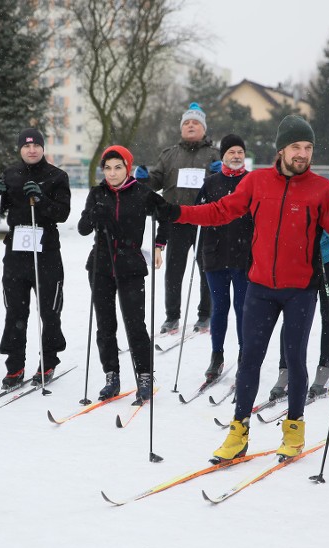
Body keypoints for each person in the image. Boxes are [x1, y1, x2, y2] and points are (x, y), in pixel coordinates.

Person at [155, 115, 329, 462]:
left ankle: (294, 431)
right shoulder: (257, 183)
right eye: (296, 147)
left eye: (308, 148)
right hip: (259, 288)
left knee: (294, 360)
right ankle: (238, 432)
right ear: (281, 149)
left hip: (300, 291)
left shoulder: (323, 190)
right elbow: (219, 211)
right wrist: (176, 213)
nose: (303, 154)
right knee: (250, 359)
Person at [78, 145, 169, 403]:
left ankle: (144, 375)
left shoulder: (141, 193)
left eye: (118, 167)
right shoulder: (97, 193)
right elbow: (83, 228)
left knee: (135, 324)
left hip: (130, 264)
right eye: (107, 168)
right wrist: (94, 215)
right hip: (101, 264)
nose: (112, 173)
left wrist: (159, 245)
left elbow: (166, 216)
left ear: (127, 168)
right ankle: (111, 375)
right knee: (105, 325)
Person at [136, 102, 221, 335]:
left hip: (206, 221)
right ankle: (172, 316)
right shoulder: (170, 155)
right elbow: (155, 182)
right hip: (177, 219)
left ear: (203, 128)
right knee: (174, 270)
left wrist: (220, 173)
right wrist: (143, 179)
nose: (191, 126)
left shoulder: (215, 154)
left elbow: (225, 186)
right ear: (181, 128)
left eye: (195, 123)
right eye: (187, 123)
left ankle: (205, 315)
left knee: (206, 269)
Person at [0, 128, 70, 389]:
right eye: (26, 146)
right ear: (20, 149)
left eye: (36, 145)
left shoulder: (57, 176)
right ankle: (14, 367)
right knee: (15, 311)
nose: (31, 150)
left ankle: (48, 361)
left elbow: (63, 213)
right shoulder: (10, 174)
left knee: (49, 311)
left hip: (46, 251)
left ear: (43, 148)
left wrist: (41, 200)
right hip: (16, 252)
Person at [269, 232, 329, 401]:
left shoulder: (328, 204)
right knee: (293, 315)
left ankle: (324, 371)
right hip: (301, 260)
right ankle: (286, 372)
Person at [197, 134, 251, 382]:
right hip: (215, 255)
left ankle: (244, 356)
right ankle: (216, 356)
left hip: (244, 256)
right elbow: (198, 214)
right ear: (223, 157)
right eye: (231, 152)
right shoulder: (210, 183)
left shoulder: (253, 181)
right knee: (219, 309)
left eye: (240, 152)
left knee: (243, 309)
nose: (236, 156)